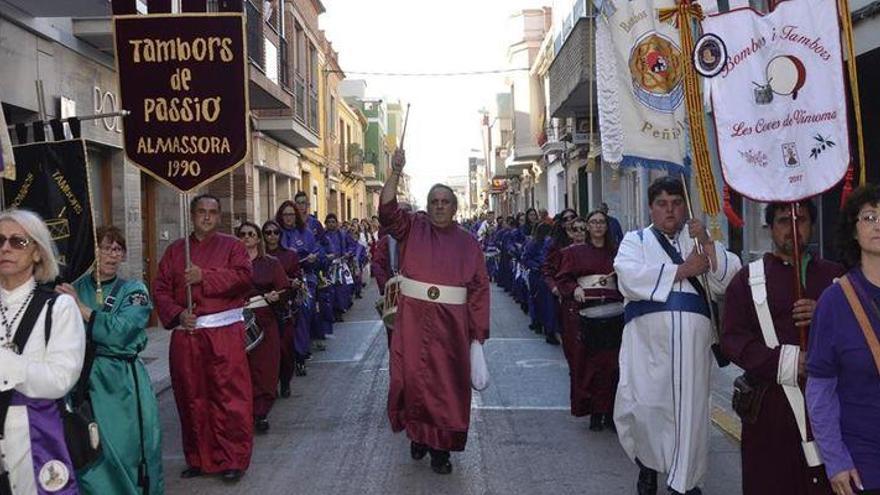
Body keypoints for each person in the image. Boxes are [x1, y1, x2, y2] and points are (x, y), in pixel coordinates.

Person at [613, 176, 741, 495]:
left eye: (676, 203)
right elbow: (627, 276)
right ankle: (648, 465)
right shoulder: (635, 240)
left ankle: (685, 481)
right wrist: (683, 270)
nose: (669, 210)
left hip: (693, 346)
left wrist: (708, 245)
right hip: (647, 345)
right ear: (651, 208)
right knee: (646, 407)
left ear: (684, 207)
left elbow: (731, 278)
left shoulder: (697, 238)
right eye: (662, 204)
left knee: (691, 412)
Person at [381, 149, 490, 475]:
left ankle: (441, 448)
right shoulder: (413, 228)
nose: (439, 206)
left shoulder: (469, 243)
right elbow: (387, 210)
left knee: (446, 386)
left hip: (451, 324)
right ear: (427, 207)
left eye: (445, 201)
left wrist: (477, 334)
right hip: (412, 318)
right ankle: (419, 435)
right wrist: (396, 172)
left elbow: (479, 289)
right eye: (434, 201)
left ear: (455, 208)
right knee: (411, 379)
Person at [722, 200, 842, 495]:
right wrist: (788, 362)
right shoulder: (747, 281)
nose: (792, 229)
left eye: (800, 220)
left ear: (811, 226)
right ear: (771, 228)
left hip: (829, 407)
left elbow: (856, 332)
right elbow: (733, 339)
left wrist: (825, 312)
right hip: (770, 412)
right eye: (783, 221)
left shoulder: (835, 277)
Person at [152, 194, 254, 482]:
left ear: (218, 217)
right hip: (188, 332)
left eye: (212, 212)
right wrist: (177, 314)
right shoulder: (175, 251)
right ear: (192, 215)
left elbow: (244, 277)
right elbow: (159, 288)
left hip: (223, 334)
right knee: (191, 396)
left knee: (228, 397)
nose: (206, 217)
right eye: (201, 212)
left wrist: (204, 277)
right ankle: (199, 458)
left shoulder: (233, 247)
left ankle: (232, 458)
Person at [57, 226, 164, 495]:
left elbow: (123, 330)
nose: (111, 255)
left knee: (127, 448)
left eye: (117, 249)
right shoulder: (75, 287)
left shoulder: (134, 290)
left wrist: (81, 310)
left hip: (122, 382)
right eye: (105, 247)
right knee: (89, 450)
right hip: (83, 381)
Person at [0, 209, 85, 495]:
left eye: (17, 242)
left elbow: (59, 380)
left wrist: (5, 363)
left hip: (37, 436)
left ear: (37, 252)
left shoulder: (59, 308)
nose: (5, 248)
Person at [808, 185, 880, 495]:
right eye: (869, 217)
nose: (879, 224)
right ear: (853, 231)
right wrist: (835, 460)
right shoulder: (835, 301)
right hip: (864, 460)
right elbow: (820, 390)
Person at [555, 211, 623, 432]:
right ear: (587, 227)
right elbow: (563, 278)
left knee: (613, 365)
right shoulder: (575, 253)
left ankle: (612, 413)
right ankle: (595, 412)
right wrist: (575, 289)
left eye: (601, 222)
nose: (597, 226)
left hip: (614, 313)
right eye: (593, 222)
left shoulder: (618, 253)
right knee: (590, 365)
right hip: (587, 313)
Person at [237, 221, 288, 433]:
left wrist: (277, 295)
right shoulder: (232, 264)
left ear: (258, 238)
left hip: (265, 319)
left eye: (251, 234)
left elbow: (284, 288)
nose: (247, 237)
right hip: (239, 321)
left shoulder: (271, 263)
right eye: (242, 234)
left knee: (265, 369)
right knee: (243, 369)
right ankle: (245, 413)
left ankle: (261, 413)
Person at [276, 199, 324, 354]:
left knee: (305, 310)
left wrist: (313, 258)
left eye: (291, 214)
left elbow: (317, 253)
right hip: (281, 280)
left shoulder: (306, 233)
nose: (288, 218)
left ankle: (301, 352)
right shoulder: (275, 233)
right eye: (285, 215)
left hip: (305, 279)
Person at [262, 220, 305, 387]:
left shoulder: (290, 255)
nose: (272, 236)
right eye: (268, 232)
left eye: (275, 232)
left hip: (285, 308)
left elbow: (298, 276)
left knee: (285, 349)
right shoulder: (257, 257)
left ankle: (285, 380)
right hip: (263, 309)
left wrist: (293, 282)